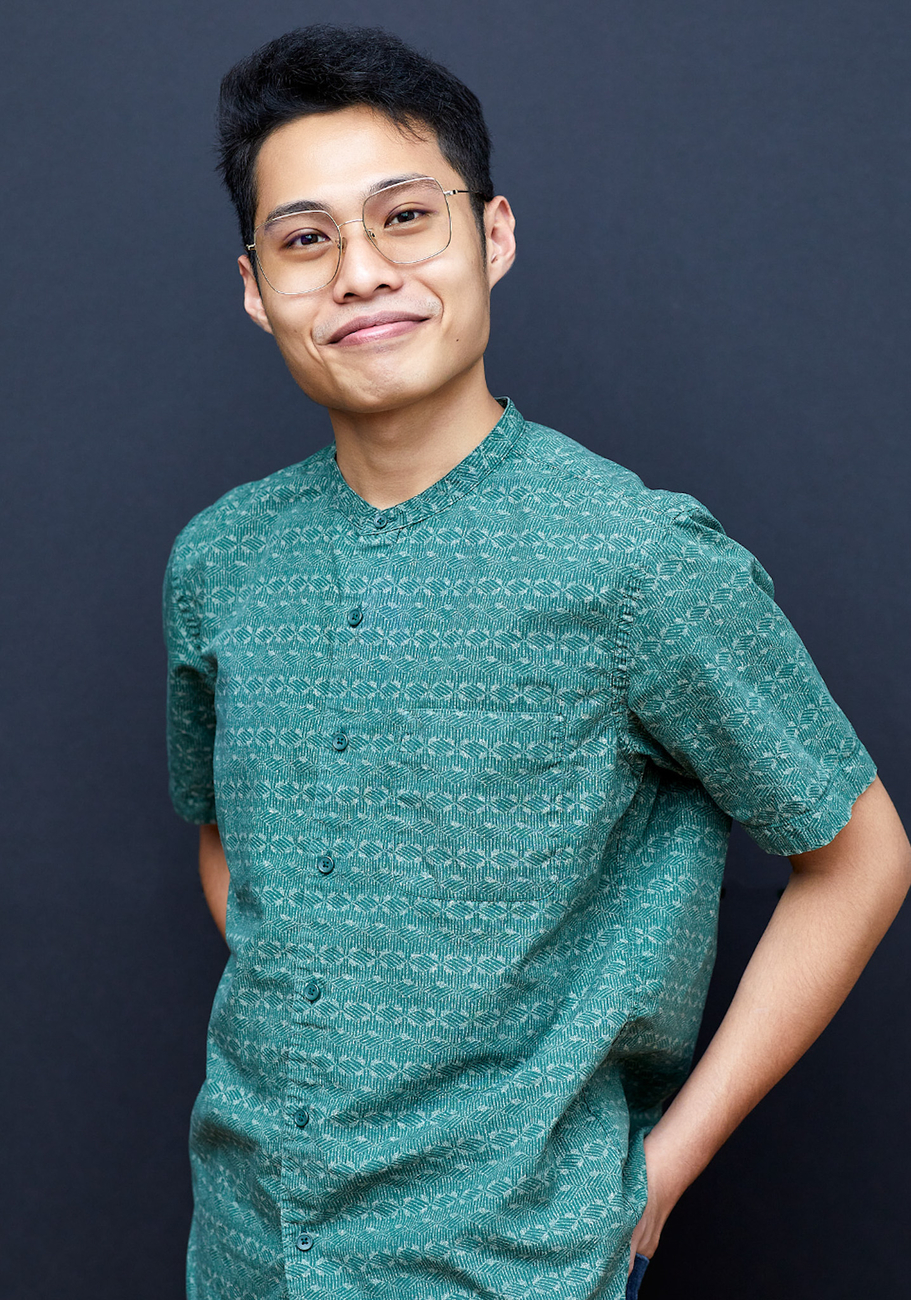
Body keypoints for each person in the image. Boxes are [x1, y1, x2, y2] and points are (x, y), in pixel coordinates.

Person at [163, 23, 911, 1300]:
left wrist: (664, 1163)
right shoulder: (218, 559)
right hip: (244, 1249)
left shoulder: (634, 559)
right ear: (254, 285)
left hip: (506, 1264)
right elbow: (227, 837)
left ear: (493, 235)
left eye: (406, 217)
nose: (360, 272)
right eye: (306, 239)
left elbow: (860, 859)